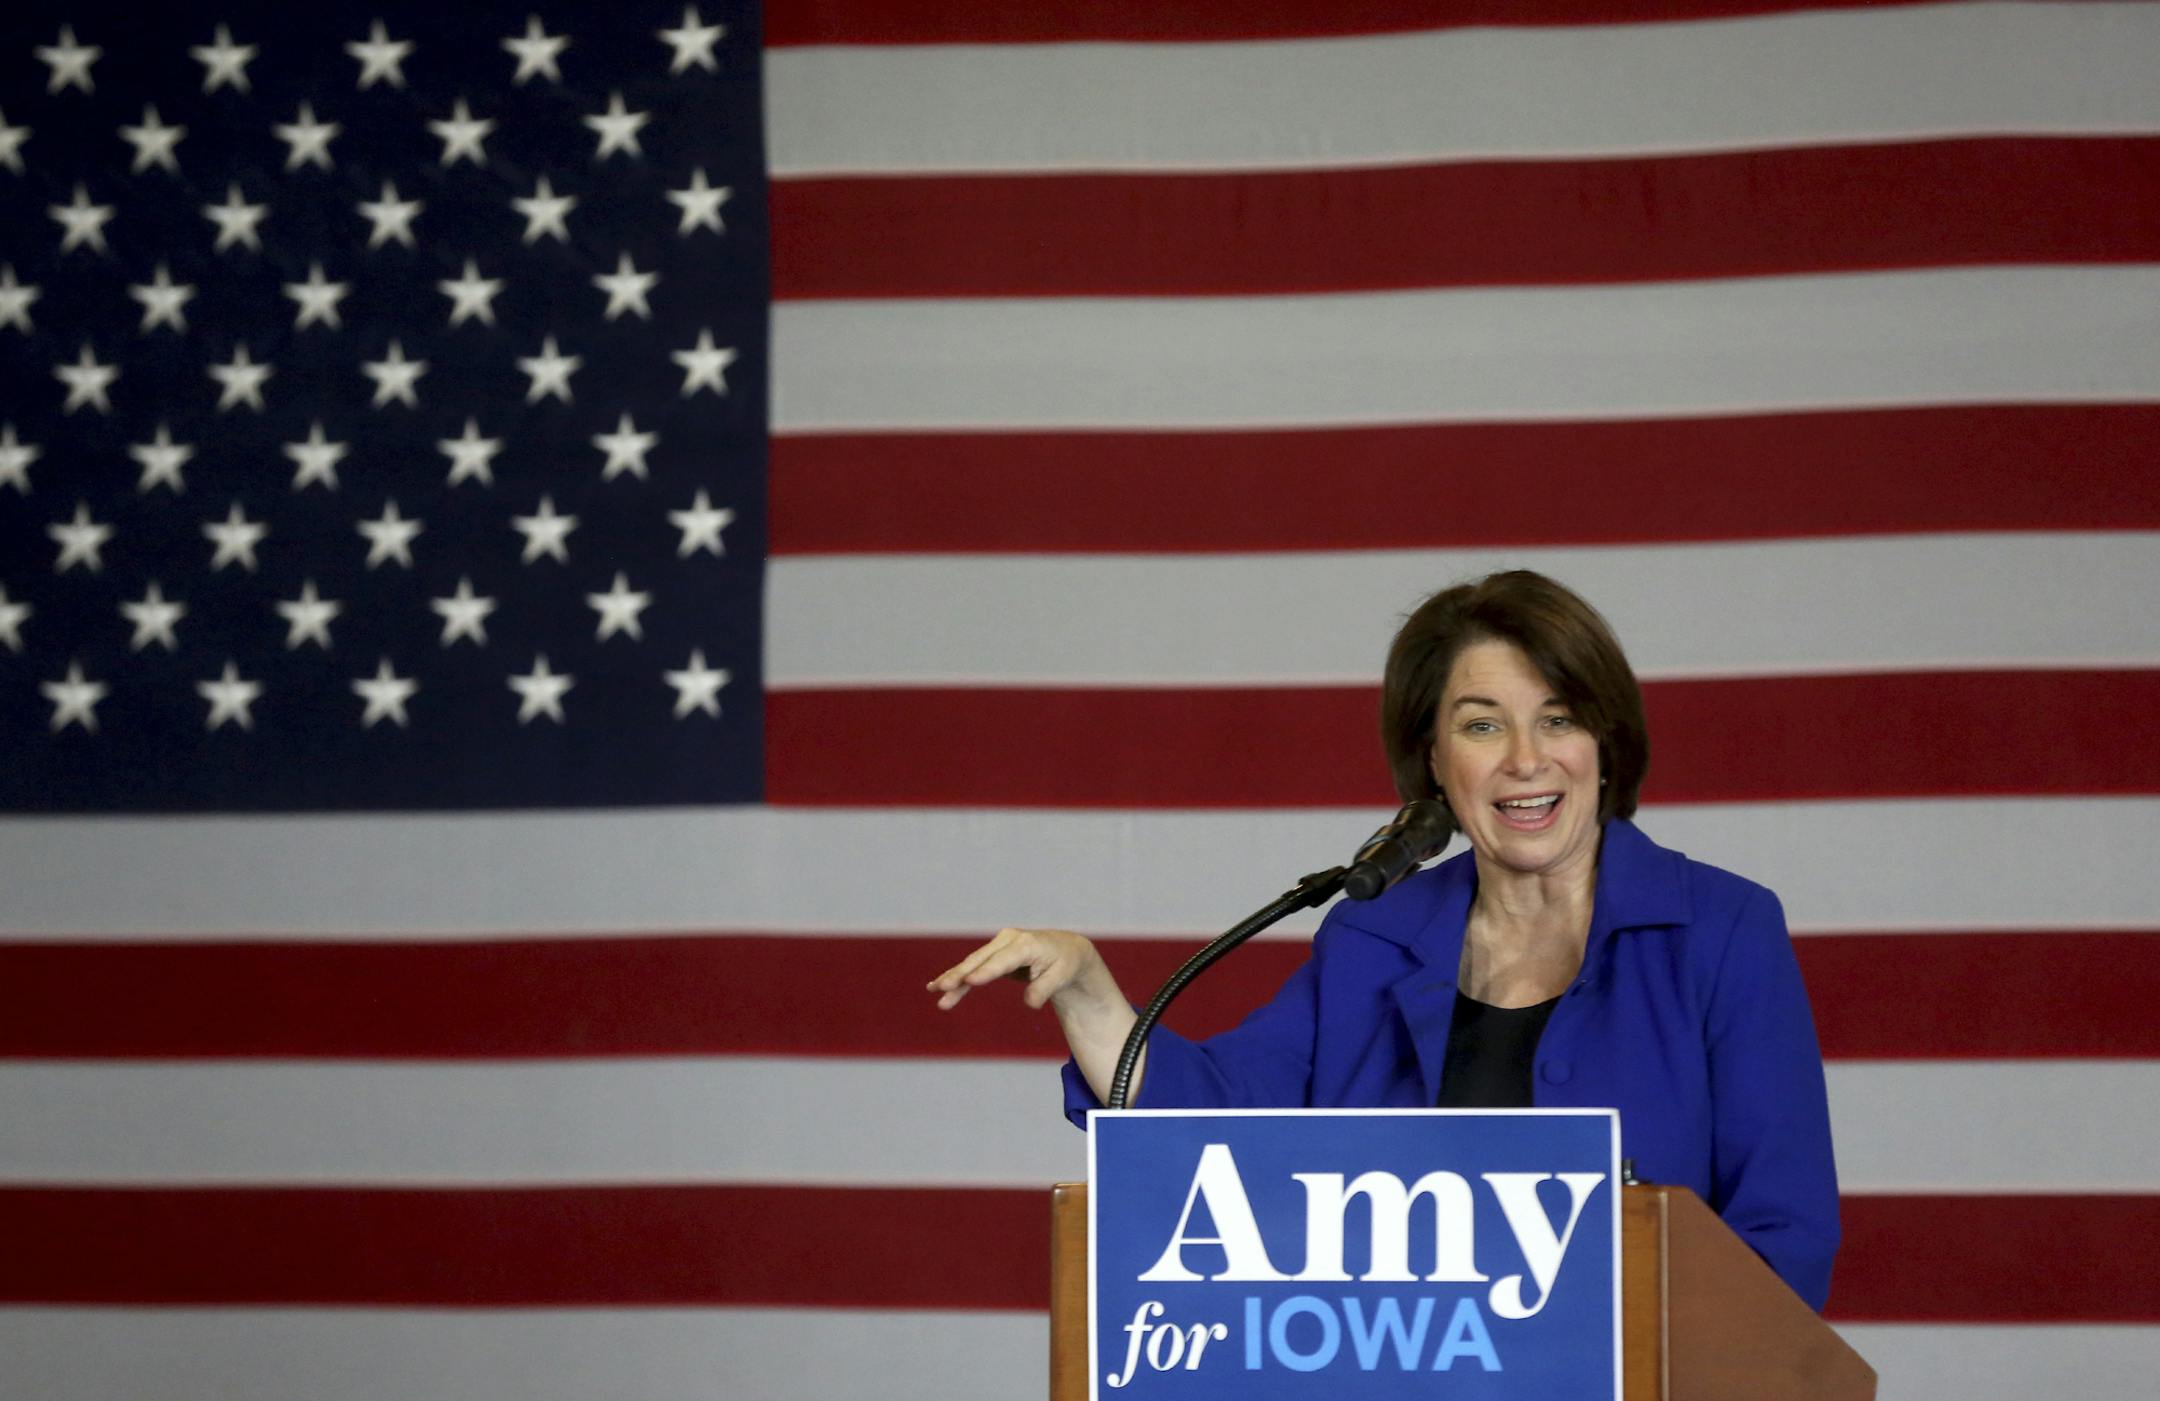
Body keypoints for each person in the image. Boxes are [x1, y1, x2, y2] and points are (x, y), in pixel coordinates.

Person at [926, 569, 1840, 1311]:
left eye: (1558, 716)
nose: (1527, 757)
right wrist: (1090, 992)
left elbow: (1784, 1237)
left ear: (1604, 737)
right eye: (1483, 724)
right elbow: (1213, 1122)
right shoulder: (1375, 935)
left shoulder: (1720, 931)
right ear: (1436, 761)